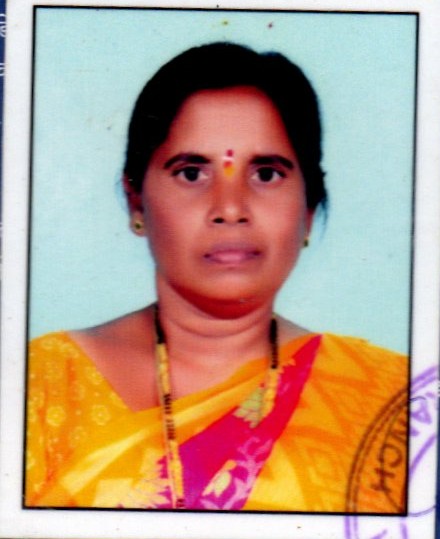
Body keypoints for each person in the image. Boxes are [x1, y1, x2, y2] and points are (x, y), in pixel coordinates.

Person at [25, 42, 408, 512]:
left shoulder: (392, 401)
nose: (230, 208)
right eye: (191, 173)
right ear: (136, 202)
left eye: (266, 174)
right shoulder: (39, 387)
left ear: (308, 209)